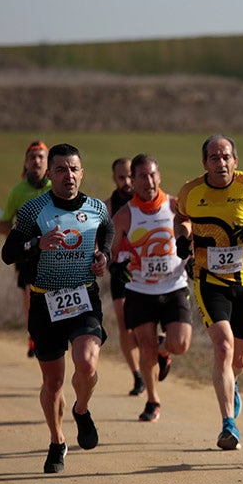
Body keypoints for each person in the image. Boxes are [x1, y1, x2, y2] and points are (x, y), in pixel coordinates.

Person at [0, 143, 114, 474]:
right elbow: (8, 253)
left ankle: (81, 408)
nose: (68, 175)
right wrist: (37, 243)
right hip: (44, 302)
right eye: (60, 169)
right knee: (53, 383)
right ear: (50, 174)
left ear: (82, 173)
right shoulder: (34, 210)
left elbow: (107, 230)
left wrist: (103, 255)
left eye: (73, 169)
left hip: (83, 299)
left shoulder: (95, 207)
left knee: (87, 362)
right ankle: (57, 441)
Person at [175, 134, 243, 451]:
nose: (221, 163)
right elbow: (181, 218)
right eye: (214, 158)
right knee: (223, 346)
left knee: (238, 360)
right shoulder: (191, 192)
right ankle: (228, 425)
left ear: (236, 160)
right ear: (205, 163)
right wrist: (181, 238)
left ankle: (233, 382)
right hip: (209, 280)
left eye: (226, 156)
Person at [109, 154, 193, 422]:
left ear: (160, 176)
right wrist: (116, 264)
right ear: (133, 181)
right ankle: (153, 400)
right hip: (140, 289)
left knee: (180, 343)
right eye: (143, 176)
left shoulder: (175, 207)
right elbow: (111, 251)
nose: (149, 181)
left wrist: (192, 257)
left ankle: (164, 348)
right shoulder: (124, 215)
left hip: (174, 286)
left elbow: (191, 238)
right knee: (145, 347)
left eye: (153, 174)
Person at [0, 140, 52, 357]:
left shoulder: (55, 187)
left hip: (54, 250)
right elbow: (2, 225)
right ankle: (34, 336)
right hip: (28, 253)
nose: (37, 161)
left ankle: (53, 332)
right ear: (26, 164)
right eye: (32, 157)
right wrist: (16, 230)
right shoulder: (18, 191)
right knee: (30, 297)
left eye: (41, 157)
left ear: (48, 162)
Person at [105, 157, 147, 396]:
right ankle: (137, 375)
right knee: (124, 325)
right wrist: (109, 262)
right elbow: (101, 244)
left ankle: (156, 353)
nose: (127, 182)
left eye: (131, 176)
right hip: (120, 271)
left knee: (147, 323)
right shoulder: (108, 207)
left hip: (147, 270)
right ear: (115, 179)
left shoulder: (146, 203)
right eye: (122, 177)